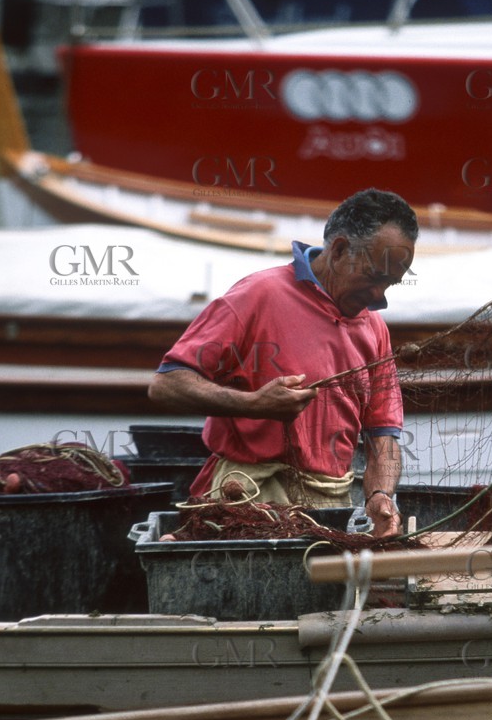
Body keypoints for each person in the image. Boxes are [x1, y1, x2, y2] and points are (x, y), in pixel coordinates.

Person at [148, 190, 418, 538]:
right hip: (243, 499)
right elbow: (167, 384)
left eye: (390, 284)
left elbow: (383, 433)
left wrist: (381, 494)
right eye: (373, 278)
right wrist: (253, 404)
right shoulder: (258, 295)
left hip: (327, 509)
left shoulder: (375, 329)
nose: (380, 298)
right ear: (338, 251)